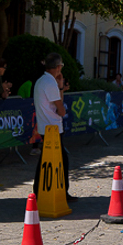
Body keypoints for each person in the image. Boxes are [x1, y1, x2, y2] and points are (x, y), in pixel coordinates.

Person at [33, 52, 75, 202]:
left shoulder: (42, 81)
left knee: (46, 159)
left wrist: (61, 87)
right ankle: (62, 191)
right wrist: (60, 88)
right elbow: (61, 110)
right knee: (61, 160)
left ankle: (38, 190)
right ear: (58, 67)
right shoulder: (50, 83)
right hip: (53, 127)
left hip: (45, 126)